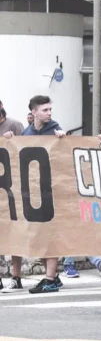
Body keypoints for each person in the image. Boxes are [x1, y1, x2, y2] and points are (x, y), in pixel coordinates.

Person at [21, 96, 66, 294]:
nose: (49, 113)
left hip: (53, 191)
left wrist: (63, 141)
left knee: (51, 235)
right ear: (34, 112)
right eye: (45, 110)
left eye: (50, 109)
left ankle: (50, 278)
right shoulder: (27, 132)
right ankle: (52, 276)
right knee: (40, 236)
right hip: (34, 192)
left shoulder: (55, 129)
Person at [1, 98, 27, 293]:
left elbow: (26, 149)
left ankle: (16, 276)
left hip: (13, 187)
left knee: (15, 233)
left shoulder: (15, 125)